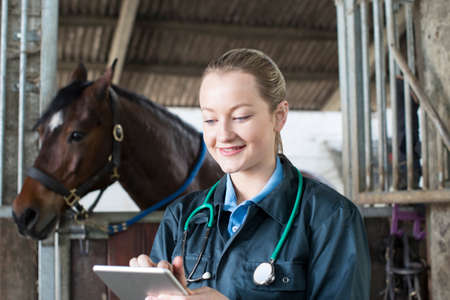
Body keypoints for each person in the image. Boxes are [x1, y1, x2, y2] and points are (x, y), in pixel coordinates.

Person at [129, 48, 371, 300]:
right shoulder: (182, 218)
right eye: (210, 120)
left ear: (279, 116)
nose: (223, 135)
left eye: (240, 117)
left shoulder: (331, 217)